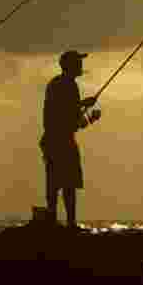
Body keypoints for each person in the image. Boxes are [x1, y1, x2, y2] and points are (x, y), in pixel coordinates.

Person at [40, 49, 101, 227]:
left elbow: (74, 122)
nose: (81, 66)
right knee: (67, 183)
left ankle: (58, 220)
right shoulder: (64, 84)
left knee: (57, 182)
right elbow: (66, 111)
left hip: (55, 139)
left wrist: (89, 118)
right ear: (70, 65)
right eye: (78, 63)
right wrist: (84, 104)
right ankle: (70, 224)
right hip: (60, 141)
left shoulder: (58, 83)